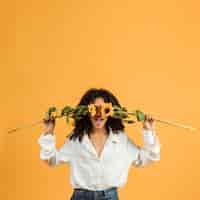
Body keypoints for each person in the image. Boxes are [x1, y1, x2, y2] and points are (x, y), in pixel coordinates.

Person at [38, 88, 161, 200]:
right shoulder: (76, 139)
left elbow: (147, 158)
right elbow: (51, 160)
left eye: (104, 109)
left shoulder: (120, 139)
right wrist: (48, 131)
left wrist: (149, 131)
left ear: (111, 112)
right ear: (86, 112)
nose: (98, 114)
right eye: (94, 109)